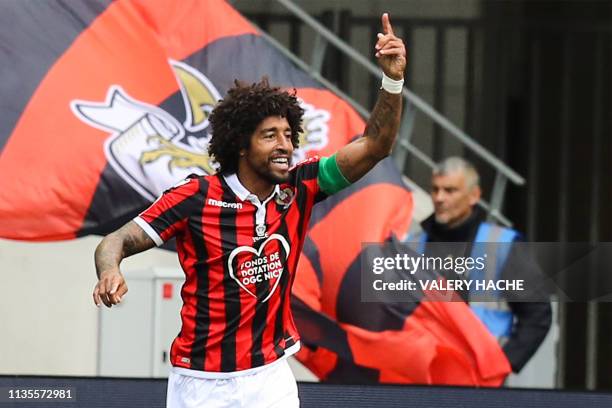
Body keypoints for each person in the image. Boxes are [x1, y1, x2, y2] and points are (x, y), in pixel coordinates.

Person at [92, 13, 406, 408]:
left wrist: (392, 80)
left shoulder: (301, 186)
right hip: (200, 382)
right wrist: (109, 271)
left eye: (289, 136)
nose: (285, 146)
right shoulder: (195, 197)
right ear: (241, 145)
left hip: (270, 377)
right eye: (270, 135)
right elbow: (115, 241)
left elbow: (376, 144)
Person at [407, 156, 552, 375]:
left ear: (474, 196)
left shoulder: (502, 244)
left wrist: (504, 363)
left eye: (450, 190)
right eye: (435, 189)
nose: (439, 198)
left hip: (480, 376)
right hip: (421, 372)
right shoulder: (412, 245)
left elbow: (537, 313)